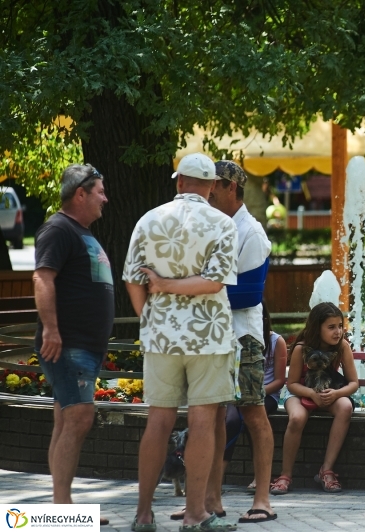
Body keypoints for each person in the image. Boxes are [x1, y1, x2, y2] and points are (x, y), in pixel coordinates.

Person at [123, 152, 239, 532]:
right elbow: (215, 282)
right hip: (209, 336)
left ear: (179, 182)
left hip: (161, 336)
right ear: (210, 187)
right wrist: (175, 287)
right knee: (203, 423)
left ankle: (143, 514)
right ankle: (195, 515)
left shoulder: (148, 219)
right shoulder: (223, 223)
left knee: (158, 421)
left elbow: (132, 278)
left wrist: (150, 314)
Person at [199, 160, 275, 523]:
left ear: (232, 188)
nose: (208, 192)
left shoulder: (252, 233)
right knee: (210, 415)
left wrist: (194, 293)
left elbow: (248, 295)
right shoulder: (210, 225)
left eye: (215, 186)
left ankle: (263, 500)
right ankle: (209, 499)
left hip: (243, 337)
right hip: (213, 334)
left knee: (253, 414)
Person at [33, 164, 113, 505]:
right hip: (68, 343)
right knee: (80, 417)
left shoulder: (79, 231)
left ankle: (60, 505)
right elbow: (42, 279)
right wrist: (51, 328)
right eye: (100, 191)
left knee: (66, 420)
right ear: (80, 193)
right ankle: (62, 509)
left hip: (83, 345)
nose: (105, 199)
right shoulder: (58, 229)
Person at [270, 302, 359, 494]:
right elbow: (292, 383)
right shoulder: (302, 348)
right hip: (301, 390)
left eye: (340, 326)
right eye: (331, 327)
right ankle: (285, 475)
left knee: (345, 407)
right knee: (297, 418)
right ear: (317, 328)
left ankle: (326, 470)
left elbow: (353, 383)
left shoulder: (342, 346)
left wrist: (336, 394)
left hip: (329, 391)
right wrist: (311, 394)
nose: (338, 332)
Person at [233, 304, 287, 490]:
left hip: (267, 395)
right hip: (240, 394)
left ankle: (260, 477)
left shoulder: (276, 341)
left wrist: (258, 392)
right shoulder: (237, 338)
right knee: (230, 419)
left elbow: (280, 380)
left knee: (253, 417)